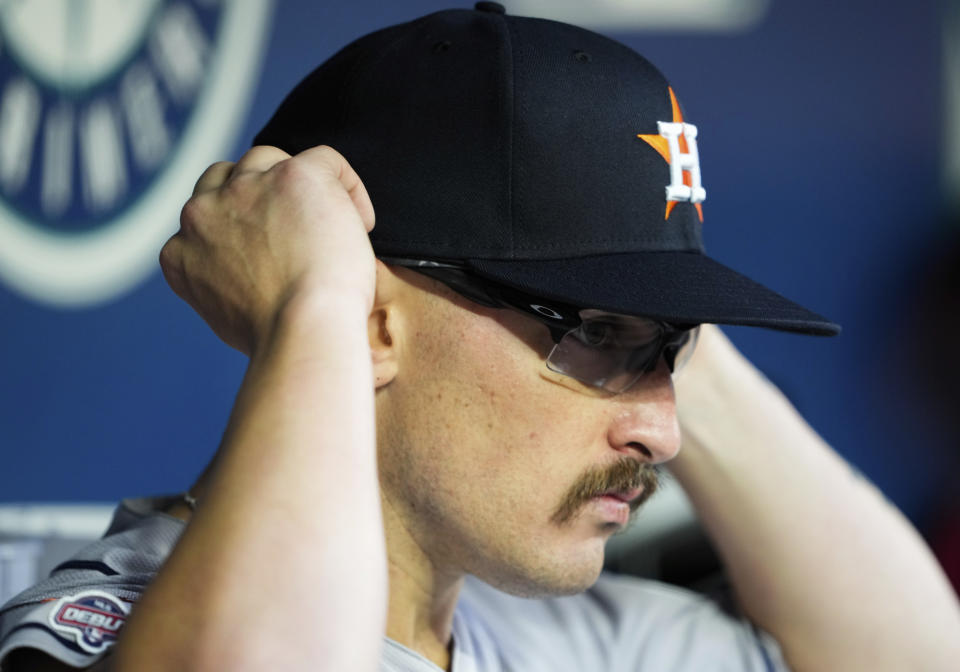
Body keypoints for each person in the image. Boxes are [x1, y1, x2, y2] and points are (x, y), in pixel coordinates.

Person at [2, 4, 960, 671]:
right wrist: (311, 308)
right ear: (375, 320)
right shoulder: (118, 622)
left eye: (673, 351)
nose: (662, 434)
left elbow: (917, 660)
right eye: (597, 333)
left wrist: (664, 328)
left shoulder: (579, 640)